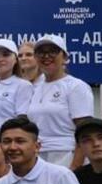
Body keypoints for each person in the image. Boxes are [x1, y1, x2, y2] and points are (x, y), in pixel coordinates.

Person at [25, 35, 94, 169]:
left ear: (65, 57)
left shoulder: (76, 86)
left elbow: (85, 130)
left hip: (66, 154)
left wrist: (75, 166)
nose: (46, 56)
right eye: (41, 52)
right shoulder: (35, 88)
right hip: (39, 156)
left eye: (53, 51)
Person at [0, 39, 34, 130]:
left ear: (15, 59)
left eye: (6, 55)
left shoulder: (23, 86)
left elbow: (22, 119)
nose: (0, 59)